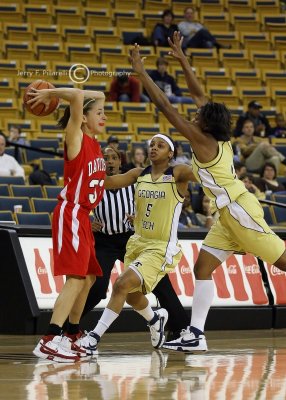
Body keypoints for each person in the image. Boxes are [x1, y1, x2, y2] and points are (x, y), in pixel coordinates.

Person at [130, 32, 286, 352]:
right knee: (202, 269)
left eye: (197, 116)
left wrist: (141, 73)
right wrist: (184, 61)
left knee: (283, 261)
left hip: (240, 212)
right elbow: (199, 93)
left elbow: (165, 106)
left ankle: (195, 334)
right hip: (226, 217)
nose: (193, 114)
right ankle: (196, 335)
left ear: (203, 125)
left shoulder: (203, 143)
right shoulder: (213, 132)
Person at [74, 134, 196, 353]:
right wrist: (81, 161)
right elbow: (106, 183)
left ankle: (93, 338)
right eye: (152, 145)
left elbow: (201, 171)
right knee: (130, 294)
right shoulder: (138, 174)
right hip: (136, 242)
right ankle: (154, 318)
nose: (154, 148)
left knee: (121, 284)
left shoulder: (177, 173)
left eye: (160, 146)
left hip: (159, 246)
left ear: (171, 153)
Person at [28, 87, 107, 362]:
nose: (104, 117)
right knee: (75, 277)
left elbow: (93, 94)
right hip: (71, 212)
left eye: (104, 112)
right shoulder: (76, 137)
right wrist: (50, 91)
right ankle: (50, 339)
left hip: (84, 217)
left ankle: (72, 334)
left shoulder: (97, 146)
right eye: (99, 112)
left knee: (88, 278)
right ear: (82, 117)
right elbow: (78, 95)